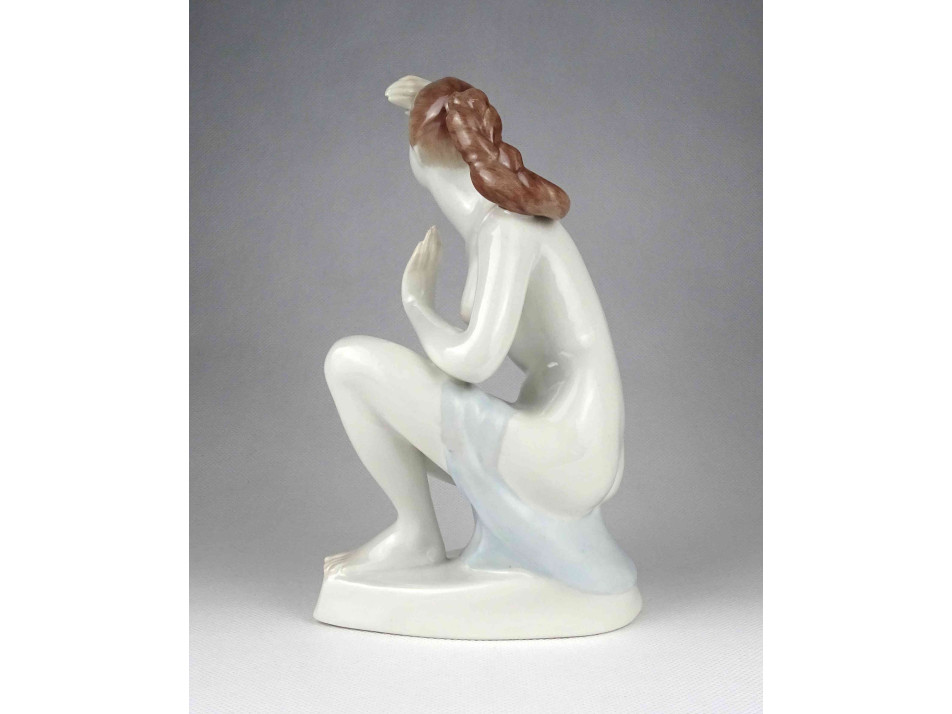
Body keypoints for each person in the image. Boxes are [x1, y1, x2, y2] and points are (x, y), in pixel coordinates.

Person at [322, 77, 634, 594]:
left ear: (417, 158)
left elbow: (474, 361)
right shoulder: (505, 221)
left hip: (565, 454)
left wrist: (416, 304)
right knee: (387, 396)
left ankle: (416, 535)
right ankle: (418, 535)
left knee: (350, 363)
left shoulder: (505, 230)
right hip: (573, 447)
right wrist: (438, 101)